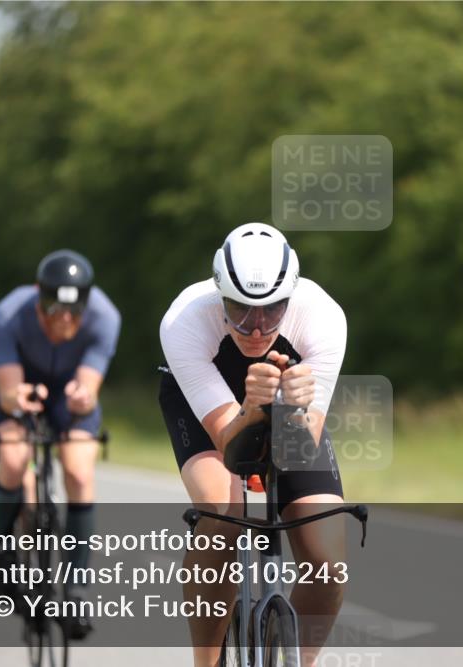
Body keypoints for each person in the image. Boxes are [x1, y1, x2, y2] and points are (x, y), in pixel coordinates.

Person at [159, 222, 347, 667]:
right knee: (224, 514)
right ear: (217, 293)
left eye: (272, 309)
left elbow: (299, 447)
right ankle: (205, 662)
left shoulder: (323, 318)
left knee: (328, 562)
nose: (256, 328)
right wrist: (251, 407)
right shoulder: (184, 319)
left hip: (286, 404)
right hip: (205, 405)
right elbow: (232, 447)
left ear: (293, 297)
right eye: (239, 308)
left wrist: (294, 408)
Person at [0, 249, 120, 640]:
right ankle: (3, 543)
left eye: (73, 314)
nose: (63, 321)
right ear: (37, 296)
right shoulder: (9, 313)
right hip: (19, 383)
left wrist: (84, 398)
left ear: (86, 304)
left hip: (67, 390)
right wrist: (16, 399)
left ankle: (76, 587)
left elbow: (89, 386)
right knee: (13, 458)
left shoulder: (106, 317)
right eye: (53, 311)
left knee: (78, 468)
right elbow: (8, 391)